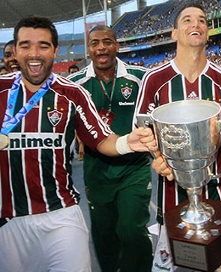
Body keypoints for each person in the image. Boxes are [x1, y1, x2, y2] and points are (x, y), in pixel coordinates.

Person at [0, 16, 156, 272]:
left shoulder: (72, 93)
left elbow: (103, 139)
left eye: (43, 46)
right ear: (15, 50)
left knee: (129, 231)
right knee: (105, 235)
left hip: (62, 213)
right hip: (9, 218)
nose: (34, 53)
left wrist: (130, 141)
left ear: (55, 51)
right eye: (26, 45)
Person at [136, 3, 221, 271]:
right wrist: (156, 158)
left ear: (208, 32)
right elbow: (144, 135)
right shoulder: (154, 80)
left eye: (201, 20)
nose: (196, 24)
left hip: (220, 200)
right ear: (174, 33)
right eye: (187, 20)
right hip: (173, 203)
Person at [67, 25, 153, 272]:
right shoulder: (75, 83)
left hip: (134, 168)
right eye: (95, 43)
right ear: (89, 49)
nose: (101, 47)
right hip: (97, 171)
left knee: (131, 230)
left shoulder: (139, 77)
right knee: (104, 235)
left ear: (117, 45)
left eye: (107, 42)